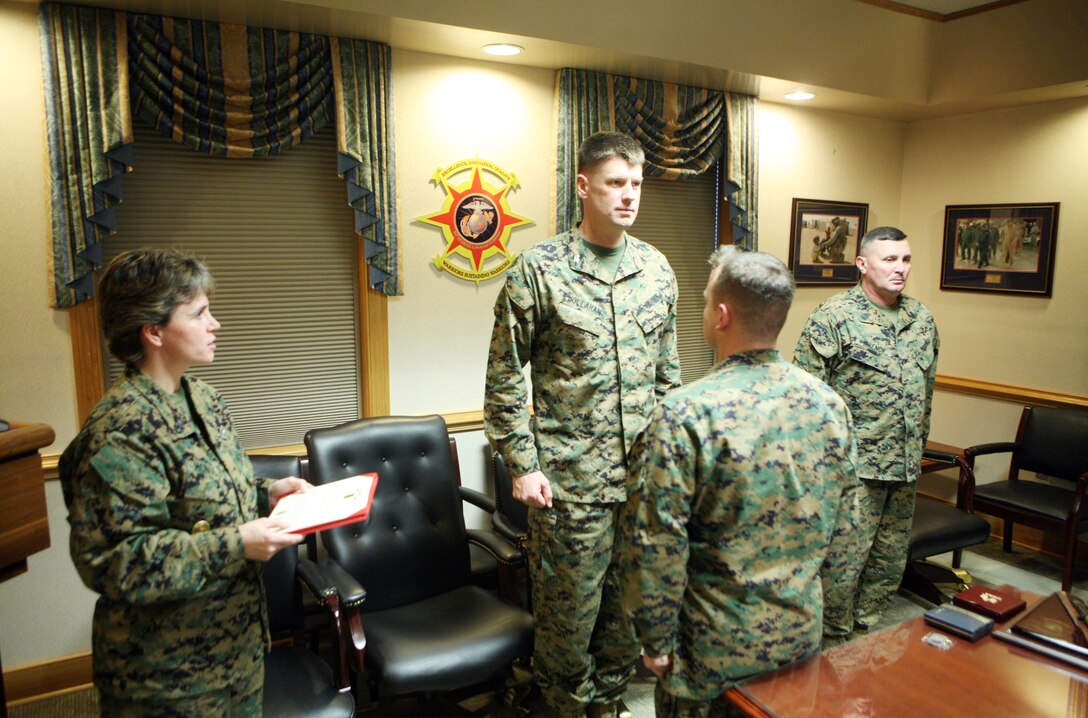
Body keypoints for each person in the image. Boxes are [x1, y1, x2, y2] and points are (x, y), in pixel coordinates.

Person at [59, 248, 311, 716]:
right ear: (153, 331)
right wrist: (236, 544)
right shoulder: (121, 430)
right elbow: (115, 562)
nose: (215, 324)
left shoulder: (203, 398)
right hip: (167, 678)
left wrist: (266, 494)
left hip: (236, 651)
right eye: (198, 314)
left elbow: (207, 498)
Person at [484, 131, 681, 718]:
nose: (628, 196)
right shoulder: (539, 270)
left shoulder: (655, 268)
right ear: (583, 186)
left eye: (636, 185)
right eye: (616, 183)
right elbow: (502, 379)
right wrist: (523, 465)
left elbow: (667, 376)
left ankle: (612, 708)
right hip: (569, 488)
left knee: (624, 619)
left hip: (641, 483)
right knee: (568, 628)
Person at [621, 246, 857, 717]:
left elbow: (656, 542)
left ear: (722, 315)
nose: (705, 310)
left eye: (707, 301)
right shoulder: (829, 405)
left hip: (710, 651)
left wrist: (656, 641)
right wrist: (828, 623)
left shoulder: (684, 413)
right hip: (799, 639)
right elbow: (846, 533)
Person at [794, 225, 939, 644]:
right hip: (853, 473)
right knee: (840, 570)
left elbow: (925, 394)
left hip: (905, 468)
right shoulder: (833, 318)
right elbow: (805, 404)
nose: (900, 269)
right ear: (862, 263)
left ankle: (863, 638)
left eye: (906, 259)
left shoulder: (921, 319)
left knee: (887, 565)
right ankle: (829, 644)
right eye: (889, 259)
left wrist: (919, 451)